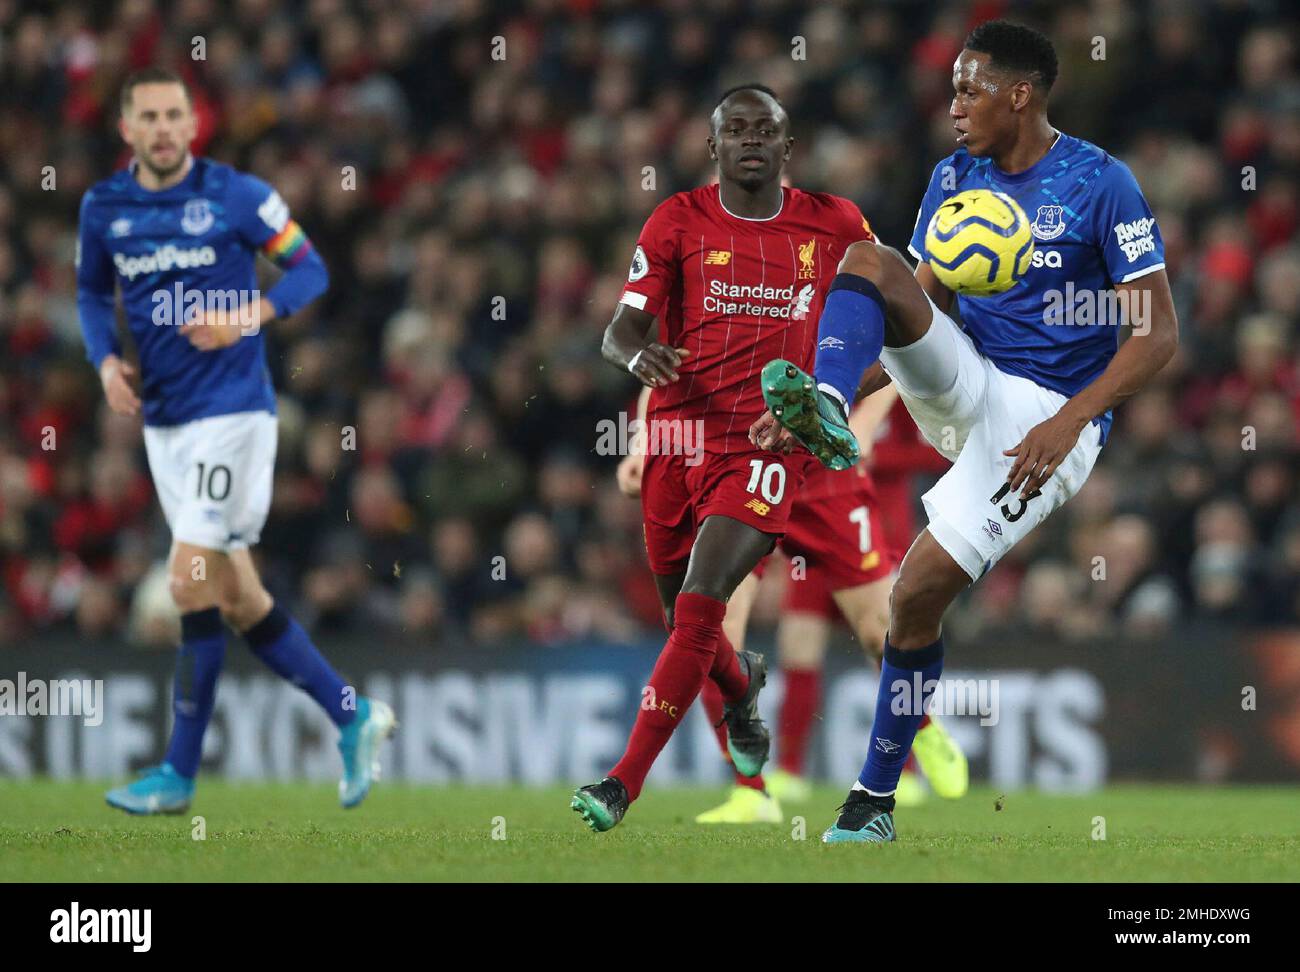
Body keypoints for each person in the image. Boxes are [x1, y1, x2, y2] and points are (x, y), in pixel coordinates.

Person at [759, 21, 1178, 842]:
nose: (953, 105)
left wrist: (1071, 420)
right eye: (952, 86)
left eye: (969, 87)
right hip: (967, 379)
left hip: (1046, 422)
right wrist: (848, 392)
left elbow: (1158, 334)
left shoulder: (1100, 183)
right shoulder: (955, 175)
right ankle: (826, 405)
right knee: (870, 264)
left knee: (911, 601)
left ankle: (871, 803)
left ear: (1020, 94)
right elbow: (913, 310)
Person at [77, 68, 395, 815]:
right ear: (127, 129)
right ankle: (353, 715)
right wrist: (102, 363)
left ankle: (177, 776)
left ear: (194, 125)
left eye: (173, 115)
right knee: (238, 595)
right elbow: (92, 292)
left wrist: (250, 313)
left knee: (187, 582)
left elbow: (311, 270)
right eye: (147, 116)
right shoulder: (104, 207)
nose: (161, 128)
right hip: (164, 421)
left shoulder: (238, 196)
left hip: (233, 411)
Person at [572, 84, 876, 832]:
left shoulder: (835, 224)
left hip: (767, 448)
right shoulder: (676, 219)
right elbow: (620, 329)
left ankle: (621, 784)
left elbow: (895, 321)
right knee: (687, 619)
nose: (749, 140)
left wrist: (831, 399)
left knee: (703, 602)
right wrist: (638, 360)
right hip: (679, 442)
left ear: (786, 146)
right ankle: (741, 688)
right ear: (711, 147)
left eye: (763, 130)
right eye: (734, 130)